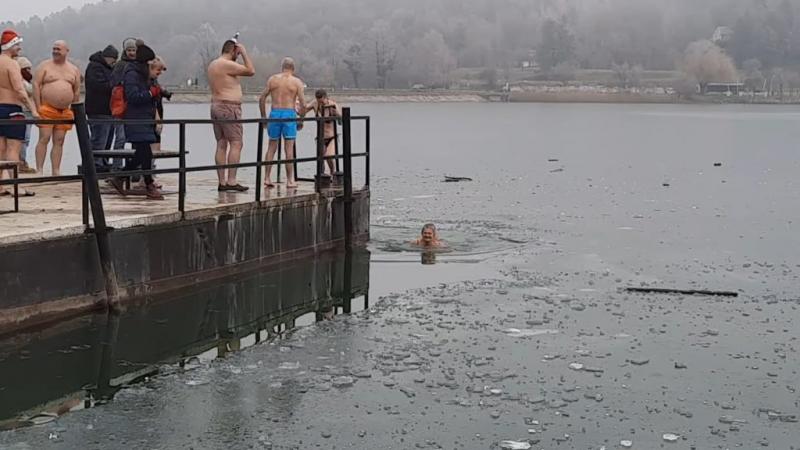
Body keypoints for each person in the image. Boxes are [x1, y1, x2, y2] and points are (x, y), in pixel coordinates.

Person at [110, 43, 164, 200]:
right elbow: (133, 96)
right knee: (144, 152)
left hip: (144, 118)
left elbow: (149, 89)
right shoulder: (132, 74)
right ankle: (147, 184)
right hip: (135, 118)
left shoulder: (142, 74)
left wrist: (160, 92)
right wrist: (150, 93)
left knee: (143, 153)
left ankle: (122, 178)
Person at [208, 39, 254, 192]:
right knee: (236, 142)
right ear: (233, 50)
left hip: (216, 105)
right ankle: (232, 181)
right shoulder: (226, 64)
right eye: (237, 52)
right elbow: (250, 71)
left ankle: (222, 181)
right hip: (229, 107)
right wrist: (244, 53)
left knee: (221, 143)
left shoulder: (213, 64)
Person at [32, 40, 81, 176]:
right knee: (44, 138)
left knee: (59, 140)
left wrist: (75, 110)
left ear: (66, 51)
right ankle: (39, 170)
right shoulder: (45, 66)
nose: (55, 51)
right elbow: (36, 85)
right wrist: (37, 108)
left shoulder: (73, 69)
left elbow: (76, 90)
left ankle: (56, 170)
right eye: (54, 49)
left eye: (58, 49)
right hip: (47, 108)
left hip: (64, 111)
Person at [259, 57, 306, 189]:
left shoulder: (273, 79)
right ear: (293, 68)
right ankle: (290, 180)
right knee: (289, 148)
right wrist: (301, 120)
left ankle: (267, 178)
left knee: (271, 146)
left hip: (274, 113)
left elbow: (262, 98)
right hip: (289, 114)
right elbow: (303, 103)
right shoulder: (296, 82)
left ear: (282, 67)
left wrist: (264, 117)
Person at [0, 29, 37, 196]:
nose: (19, 48)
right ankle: (14, 186)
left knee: (0, 149)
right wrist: (33, 109)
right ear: (10, 45)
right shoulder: (11, 64)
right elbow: (19, 90)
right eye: (17, 45)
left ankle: (1, 185)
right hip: (12, 109)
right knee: (13, 150)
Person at [85, 45, 118, 171]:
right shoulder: (94, 67)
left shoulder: (109, 68)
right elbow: (98, 86)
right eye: (112, 60)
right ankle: (95, 164)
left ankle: (103, 161)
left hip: (109, 110)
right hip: (97, 109)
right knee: (99, 138)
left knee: (108, 138)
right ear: (107, 58)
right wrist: (114, 86)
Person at [107, 38, 138, 160]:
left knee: (137, 139)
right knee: (120, 138)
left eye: (133, 50)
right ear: (125, 51)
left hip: (135, 107)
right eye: (129, 50)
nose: (131, 53)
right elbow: (113, 83)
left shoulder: (139, 65)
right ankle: (117, 168)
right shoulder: (120, 65)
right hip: (121, 106)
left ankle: (135, 168)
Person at [300, 89, 340, 176]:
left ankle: (332, 173)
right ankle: (322, 176)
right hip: (320, 137)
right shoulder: (315, 103)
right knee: (320, 158)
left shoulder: (333, 105)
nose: (320, 103)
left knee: (329, 156)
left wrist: (337, 114)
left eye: (322, 101)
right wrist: (299, 109)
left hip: (331, 137)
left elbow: (341, 122)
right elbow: (303, 111)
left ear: (326, 97)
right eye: (319, 101)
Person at [14, 56, 36, 174]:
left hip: (28, 112)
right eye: (26, 69)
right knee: (23, 138)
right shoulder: (20, 82)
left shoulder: (27, 82)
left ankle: (22, 160)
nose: (29, 71)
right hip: (23, 111)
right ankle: (21, 162)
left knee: (25, 139)